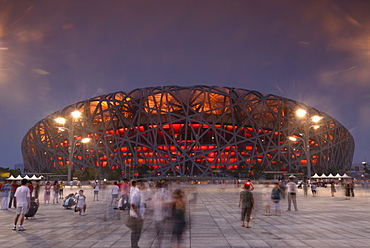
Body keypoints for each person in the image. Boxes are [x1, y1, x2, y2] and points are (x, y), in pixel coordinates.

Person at [128, 180, 143, 248]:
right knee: (135, 231)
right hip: (135, 216)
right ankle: (134, 245)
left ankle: (135, 245)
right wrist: (138, 214)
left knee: (137, 231)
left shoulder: (138, 192)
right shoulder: (136, 193)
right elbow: (133, 204)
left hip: (137, 215)